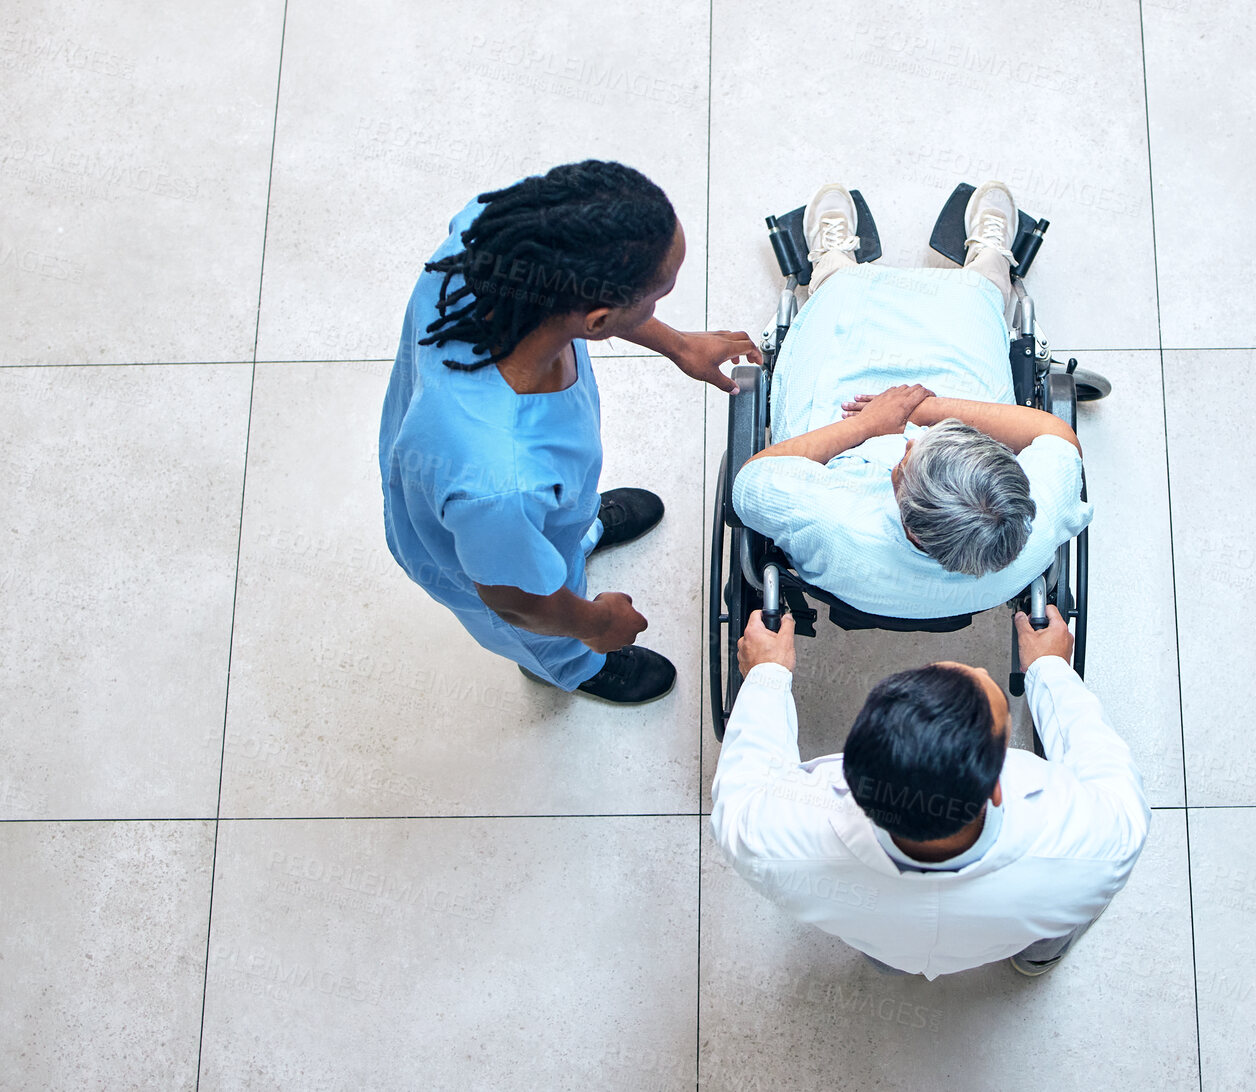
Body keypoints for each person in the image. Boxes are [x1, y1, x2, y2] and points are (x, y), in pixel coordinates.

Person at [379, 160, 760, 704]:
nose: (659, 309)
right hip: (504, 565)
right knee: (543, 630)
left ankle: (571, 535)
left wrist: (678, 345)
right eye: (656, 298)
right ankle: (573, 668)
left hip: (520, 512)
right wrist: (596, 622)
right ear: (598, 321)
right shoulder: (500, 484)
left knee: (552, 526)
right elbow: (519, 601)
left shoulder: (496, 246)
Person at [710, 605, 1150, 979]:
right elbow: (1100, 758)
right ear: (996, 789)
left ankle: (895, 964)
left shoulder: (769, 843)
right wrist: (1051, 668)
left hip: (882, 936)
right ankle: (1039, 956)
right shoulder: (1098, 844)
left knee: (890, 952)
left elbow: (742, 785)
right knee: (1056, 920)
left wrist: (766, 674)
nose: (980, 669)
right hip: (1025, 920)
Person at [730, 180, 1092, 620]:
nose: (909, 440)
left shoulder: (831, 521)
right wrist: (928, 409)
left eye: (909, 456)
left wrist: (864, 426)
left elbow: (751, 481)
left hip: (844, 425)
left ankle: (834, 270)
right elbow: (1057, 435)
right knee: (971, 312)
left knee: (842, 305)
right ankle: (988, 271)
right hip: (948, 388)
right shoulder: (1027, 528)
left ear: (901, 505)